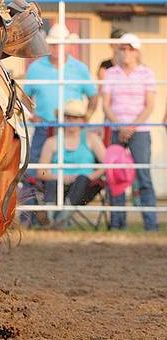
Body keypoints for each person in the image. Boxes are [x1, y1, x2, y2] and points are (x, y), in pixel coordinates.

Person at [103, 33, 158, 231]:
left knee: (143, 175)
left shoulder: (147, 73)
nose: (126, 52)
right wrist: (120, 126)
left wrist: (131, 127)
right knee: (115, 176)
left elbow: (149, 106)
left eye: (130, 49)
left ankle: (151, 225)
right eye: (123, 48)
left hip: (140, 130)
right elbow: (107, 105)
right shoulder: (111, 73)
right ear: (118, 51)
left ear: (137, 52)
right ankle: (118, 224)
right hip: (118, 129)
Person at [23, 23, 99, 165]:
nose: (57, 48)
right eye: (54, 44)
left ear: (68, 46)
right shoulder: (35, 67)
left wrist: (85, 118)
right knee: (36, 166)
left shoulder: (79, 68)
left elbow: (93, 96)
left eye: (60, 44)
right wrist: (33, 117)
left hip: (71, 126)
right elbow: (25, 96)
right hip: (44, 126)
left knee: (71, 165)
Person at [37, 100, 106, 227]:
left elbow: (106, 165)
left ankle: (59, 220)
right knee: (53, 183)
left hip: (85, 186)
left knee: (81, 180)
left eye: (76, 118)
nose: (71, 121)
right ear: (62, 119)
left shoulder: (92, 139)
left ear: (82, 120)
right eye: (68, 117)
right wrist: (60, 177)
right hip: (57, 184)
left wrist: (89, 177)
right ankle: (50, 219)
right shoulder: (52, 142)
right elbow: (41, 171)